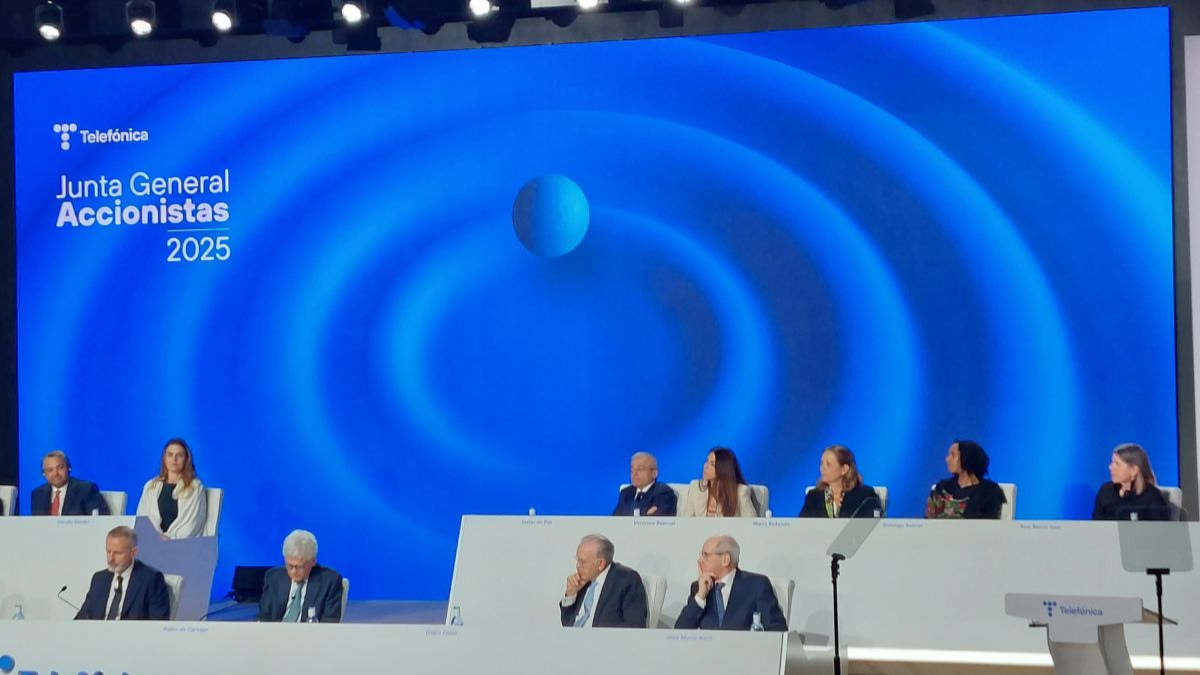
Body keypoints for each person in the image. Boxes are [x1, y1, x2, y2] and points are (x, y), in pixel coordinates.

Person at [674, 535, 787, 631]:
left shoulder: (757, 585)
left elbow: (777, 629)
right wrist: (700, 597)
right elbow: (680, 631)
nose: (700, 560)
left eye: (705, 555)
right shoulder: (699, 588)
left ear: (725, 559)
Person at [75, 525, 171, 620]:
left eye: (118, 553)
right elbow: (82, 617)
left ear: (133, 552)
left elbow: (158, 622)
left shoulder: (151, 579)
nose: (111, 559)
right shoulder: (99, 579)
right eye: (108, 551)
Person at [559, 534, 648, 628]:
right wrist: (571, 595)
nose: (577, 565)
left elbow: (634, 625)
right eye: (577, 560)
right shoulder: (583, 581)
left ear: (601, 563)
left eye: (582, 562)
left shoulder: (627, 580)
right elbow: (567, 624)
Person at [257, 529, 344, 623]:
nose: (293, 571)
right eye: (289, 565)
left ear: (313, 561)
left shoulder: (330, 581)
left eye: (299, 567)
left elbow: (330, 622)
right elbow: (264, 618)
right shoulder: (273, 577)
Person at [135, 438, 208, 539]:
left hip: (181, 543)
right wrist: (156, 537)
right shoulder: (151, 486)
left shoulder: (195, 487)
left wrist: (169, 538)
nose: (174, 459)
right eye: (170, 455)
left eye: (179, 455)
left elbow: (193, 523)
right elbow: (142, 517)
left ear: (186, 459)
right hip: (151, 541)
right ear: (164, 458)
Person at [925, 440, 1008, 519]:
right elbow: (928, 520)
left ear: (968, 458)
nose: (947, 459)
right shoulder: (942, 487)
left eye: (953, 455)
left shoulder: (989, 491)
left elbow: (988, 524)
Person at [1092, 443, 1171, 521]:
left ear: (1133, 470)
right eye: (1112, 462)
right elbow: (1095, 524)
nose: (1110, 467)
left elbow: (1161, 528)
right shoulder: (1105, 491)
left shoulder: (1152, 497)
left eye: (1117, 464)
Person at [798, 445, 882, 518]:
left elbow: (873, 525)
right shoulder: (813, 496)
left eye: (828, 464)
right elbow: (801, 526)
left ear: (844, 469)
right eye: (821, 463)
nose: (822, 468)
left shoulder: (865, 495)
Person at [678, 447, 757, 517]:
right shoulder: (695, 487)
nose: (706, 466)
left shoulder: (741, 492)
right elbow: (686, 521)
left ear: (724, 469)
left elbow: (752, 524)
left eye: (712, 464)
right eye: (707, 461)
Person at [31, 450, 111, 516]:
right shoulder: (38, 494)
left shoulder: (87, 489)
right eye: (50, 470)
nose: (55, 473)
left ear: (69, 468)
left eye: (60, 468)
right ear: (44, 474)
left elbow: (100, 520)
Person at [612, 452, 678, 516]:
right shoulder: (625, 493)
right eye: (632, 470)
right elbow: (615, 520)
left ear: (654, 473)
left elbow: (657, 521)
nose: (634, 473)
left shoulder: (664, 493)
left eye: (640, 469)